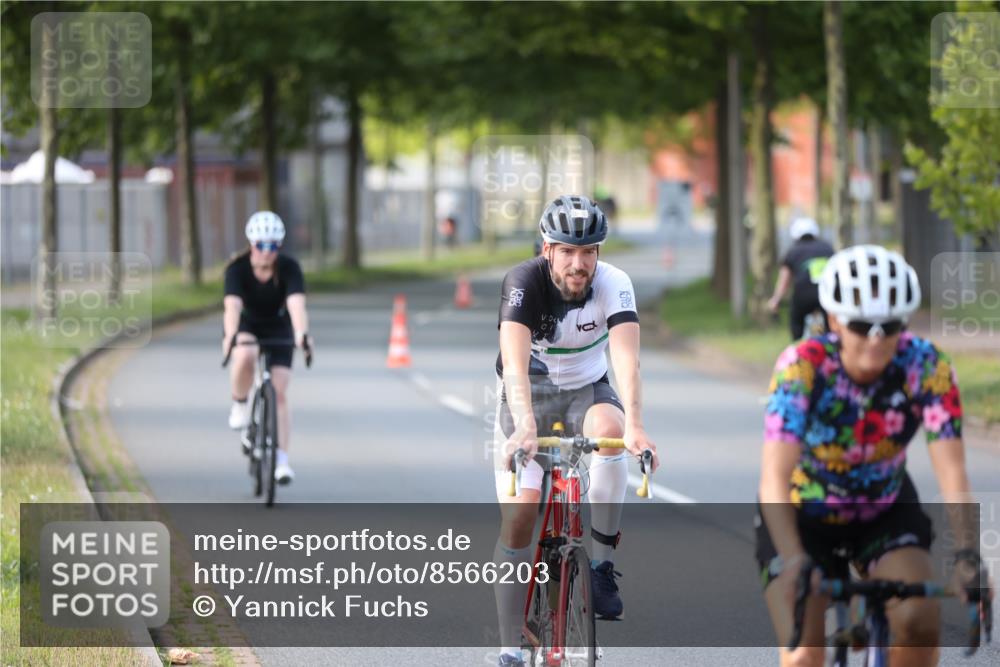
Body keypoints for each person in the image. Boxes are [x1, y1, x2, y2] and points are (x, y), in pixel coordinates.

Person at [756, 244, 991, 667]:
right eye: (862, 326)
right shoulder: (802, 367)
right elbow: (774, 476)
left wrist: (969, 557)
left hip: (883, 509)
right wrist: (793, 559)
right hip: (802, 513)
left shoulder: (927, 366)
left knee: (919, 619)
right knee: (803, 654)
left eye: (891, 326)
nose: (877, 340)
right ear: (833, 321)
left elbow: (953, 473)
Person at [491, 195, 659, 667]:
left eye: (588, 252)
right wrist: (524, 426)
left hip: (588, 387)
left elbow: (626, 360)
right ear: (547, 249)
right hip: (532, 394)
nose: (578, 263)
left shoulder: (614, 284)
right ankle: (509, 645)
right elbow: (515, 367)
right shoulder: (523, 283)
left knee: (612, 427)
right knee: (521, 515)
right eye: (567, 251)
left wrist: (638, 429)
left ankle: (601, 568)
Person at [222, 211, 311, 484]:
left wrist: (301, 333)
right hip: (247, 324)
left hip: (277, 325)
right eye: (261, 245)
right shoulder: (236, 269)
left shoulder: (289, 267)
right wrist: (231, 335)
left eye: (273, 246)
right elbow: (232, 306)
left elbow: (296, 303)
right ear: (252, 244)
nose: (267, 252)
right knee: (246, 354)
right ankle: (239, 404)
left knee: (280, 392)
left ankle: (282, 461)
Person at [767, 217, 835, 340]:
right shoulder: (827, 248)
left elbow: (784, 281)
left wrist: (776, 300)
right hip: (826, 295)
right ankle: (833, 350)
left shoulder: (793, 251)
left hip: (802, 296)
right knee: (831, 328)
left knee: (796, 323)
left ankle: (797, 347)